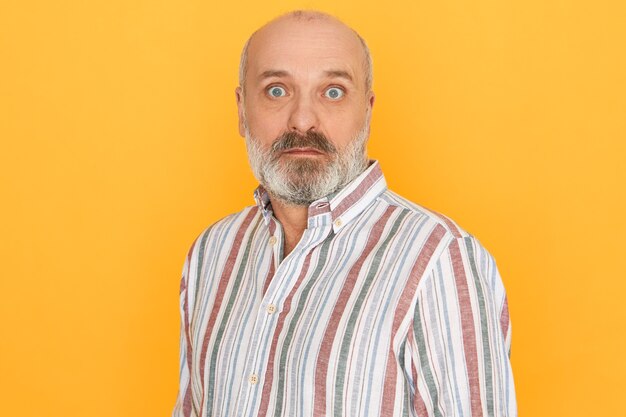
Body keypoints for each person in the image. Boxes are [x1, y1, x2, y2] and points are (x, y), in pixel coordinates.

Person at [172, 10, 517, 417]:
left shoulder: (439, 259)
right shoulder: (211, 254)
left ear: (367, 112)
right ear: (241, 109)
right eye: (277, 91)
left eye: (333, 91)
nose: (302, 120)